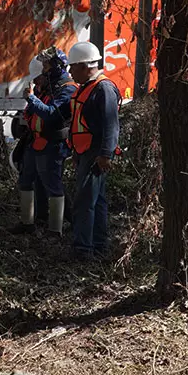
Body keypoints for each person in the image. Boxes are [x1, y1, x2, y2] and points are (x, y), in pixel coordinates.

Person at [13, 48, 77, 235]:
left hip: (53, 144)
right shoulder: (48, 86)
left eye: (46, 65)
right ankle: (28, 223)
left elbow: (52, 115)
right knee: (26, 179)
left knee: (53, 184)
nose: (42, 71)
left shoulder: (67, 89)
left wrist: (31, 98)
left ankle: (55, 229)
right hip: (35, 142)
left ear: (56, 66)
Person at [66, 40, 120, 260]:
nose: (70, 72)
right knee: (96, 201)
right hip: (86, 152)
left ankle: (83, 249)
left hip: (96, 153)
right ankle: (98, 246)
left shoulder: (103, 88)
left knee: (85, 202)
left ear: (86, 66)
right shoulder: (88, 87)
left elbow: (111, 125)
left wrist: (105, 154)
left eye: (73, 67)